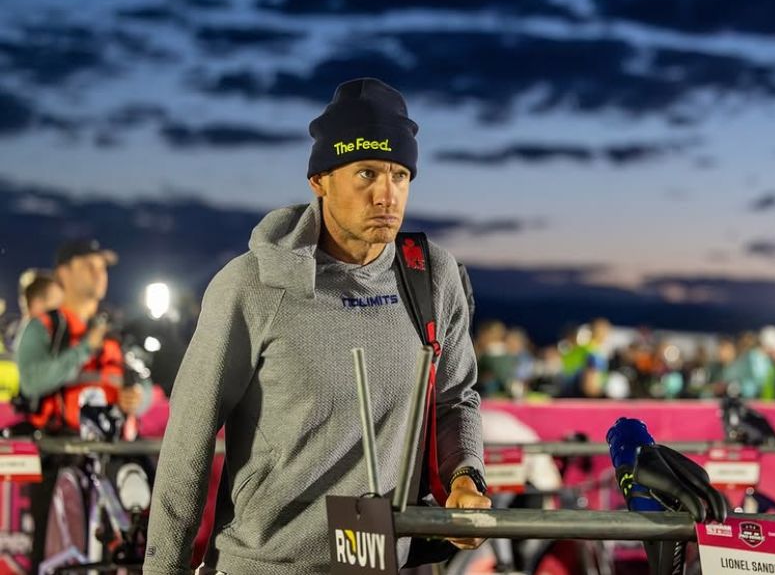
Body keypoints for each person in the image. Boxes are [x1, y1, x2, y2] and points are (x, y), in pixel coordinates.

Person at [144, 78, 490, 574]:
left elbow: (456, 399)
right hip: (265, 563)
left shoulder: (432, 276)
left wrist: (465, 477)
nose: (386, 195)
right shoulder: (251, 286)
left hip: (381, 562)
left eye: (399, 175)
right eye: (366, 173)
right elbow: (188, 441)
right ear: (320, 179)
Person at [15, 239, 149, 569]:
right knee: (48, 547)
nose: (99, 273)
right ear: (63, 273)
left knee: (122, 543)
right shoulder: (43, 328)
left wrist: (138, 399)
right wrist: (85, 349)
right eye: (88, 265)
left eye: (102, 267)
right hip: (56, 454)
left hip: (109, 455)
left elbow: (143, 384)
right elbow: (33, 380)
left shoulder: (114, 332)